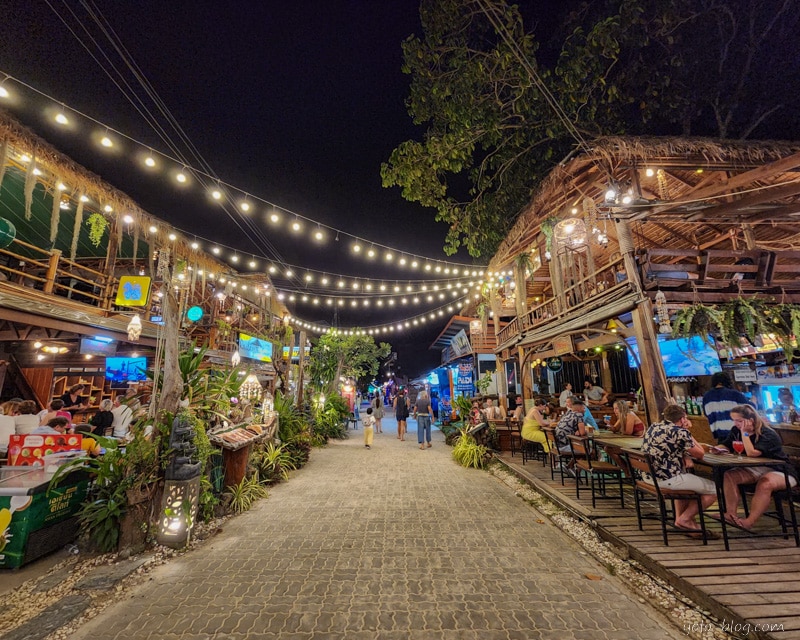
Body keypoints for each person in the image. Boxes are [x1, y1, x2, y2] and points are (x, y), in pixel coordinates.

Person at [718, 405, 798, 530]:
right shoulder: (735, 430)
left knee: (765, 483)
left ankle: (749, 522)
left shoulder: (767, 434)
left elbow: (752, 453)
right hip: (757, 468)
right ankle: (730, 513)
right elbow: (727, 445)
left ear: (751, 419)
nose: (736, 424)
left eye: (739, 421)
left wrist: (744, 434)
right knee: (730, 475)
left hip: (780, 470)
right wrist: (718, 449)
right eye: (734, 420)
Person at [641, 404, 718, 534]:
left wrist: (685, 455)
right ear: (682, 419)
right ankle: (685, 519)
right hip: (667, 479)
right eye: (686, 418)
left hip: (648, 476)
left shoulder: (654, 427)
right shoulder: (680, 432)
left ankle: (680, 520)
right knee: (714, 490)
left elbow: (670, 446)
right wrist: (688, 433)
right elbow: (700, 454)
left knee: (686, 482)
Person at [702, 372, 749, 441]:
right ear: (728, 381)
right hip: (737, 433)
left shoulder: (706, 396)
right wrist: (754, 402)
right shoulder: (734, 394)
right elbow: (749, 410)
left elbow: (706, 414)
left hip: (719, 434)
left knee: (723, 450)